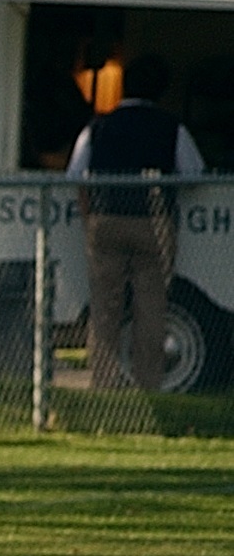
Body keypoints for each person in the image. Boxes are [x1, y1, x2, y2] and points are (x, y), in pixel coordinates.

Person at [67, 54, 203, 390]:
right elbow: (193, 173)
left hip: (106, 219)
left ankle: (104, 383)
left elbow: (75, 174)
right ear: (161, 90)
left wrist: (90, 216)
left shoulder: (98, 126)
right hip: (152, 222)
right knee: (151, 305)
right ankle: (148, 384)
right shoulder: (172, 128)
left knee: (105, 305)